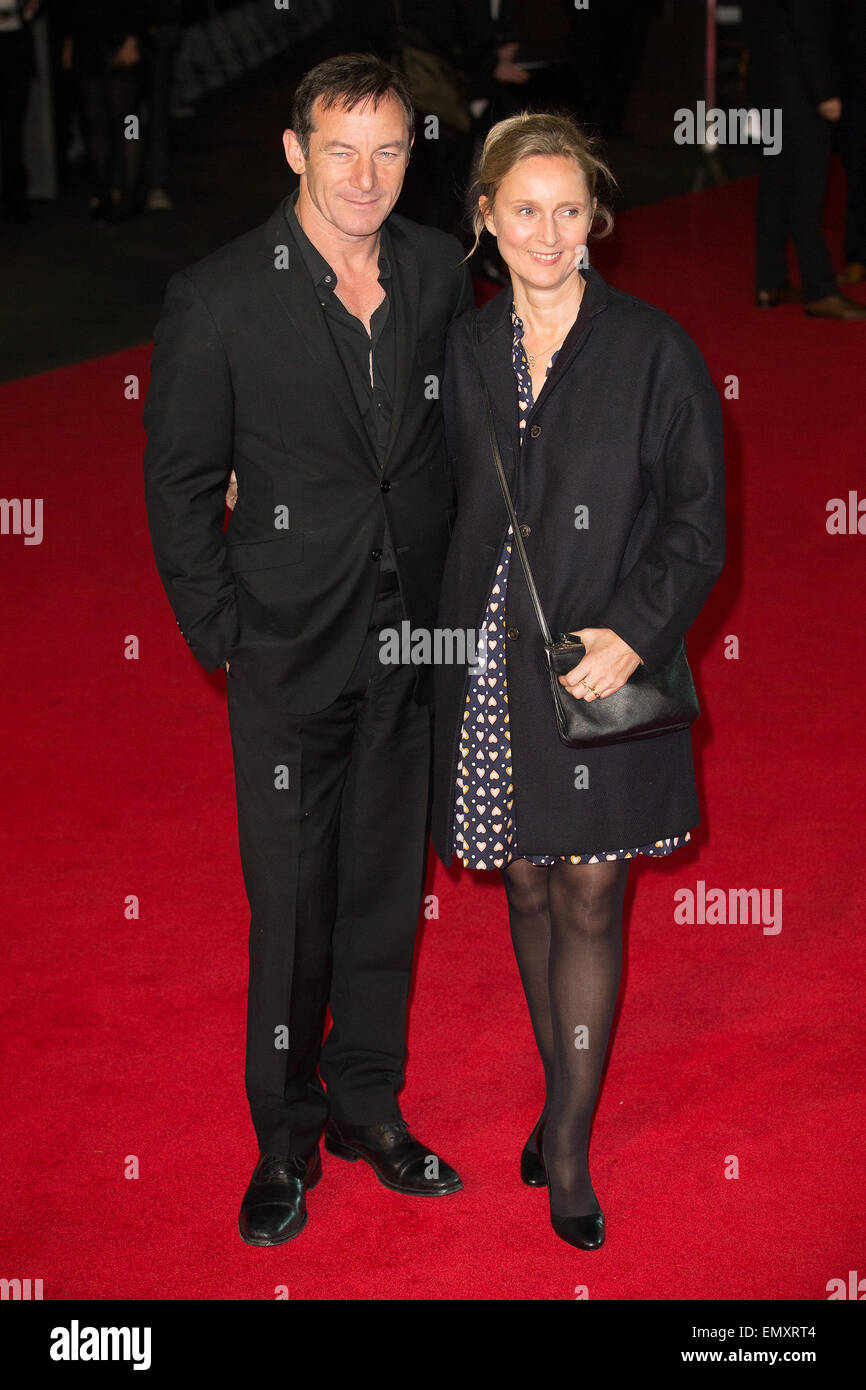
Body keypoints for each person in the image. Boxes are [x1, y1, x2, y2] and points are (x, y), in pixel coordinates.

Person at [143, 53, 474, 1246]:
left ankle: (366, 1107)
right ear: (294, 152)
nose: (366, 175)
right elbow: (180, 487)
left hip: (410, 645)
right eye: (340, 149)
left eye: (388, 149)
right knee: (290, 904)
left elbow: (453, 441)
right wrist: (227, 634)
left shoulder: (438, 270)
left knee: (386, 893)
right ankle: (282, 1140)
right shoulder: (219, 296)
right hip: (288, 647)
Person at [431, 112, 726, 1250]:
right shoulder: (461, 350)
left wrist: (634, 633)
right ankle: (562, 1086)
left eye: (567, 210)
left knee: (591, 891)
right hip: (488, 659)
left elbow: (697, 526)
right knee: (522, 883)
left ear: (595, 220)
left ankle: (564, 1138)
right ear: (485, 222)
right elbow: (429, 496)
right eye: (522, 210)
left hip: (599, 662)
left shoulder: (653, 350)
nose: (545, 232)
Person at [744, 0, 866, 319]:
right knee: (806, 194)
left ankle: (770, 283)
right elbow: (809, 27)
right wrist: (825, 92)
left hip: (769, 86)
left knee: (775, 185)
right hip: (799, 93)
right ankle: (820, 290)